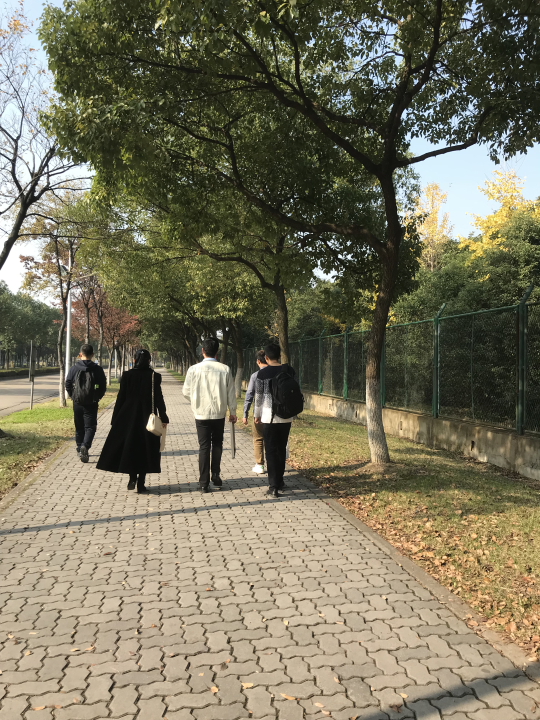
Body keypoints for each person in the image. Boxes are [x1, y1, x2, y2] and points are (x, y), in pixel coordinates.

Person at [96, 349, 169, 493]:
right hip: (148, 418)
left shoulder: (127, 375)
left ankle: (132, 478)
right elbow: (158, 398)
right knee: (145, 448)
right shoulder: (154, 376)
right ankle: (141, 483)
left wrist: (115, 419)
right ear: (149, 360)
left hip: (127, 417)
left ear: (134, 360)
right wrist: (164, 416)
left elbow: (120, 398)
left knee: (131, 447)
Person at [183, 337, 237, 492]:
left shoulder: (193, 370)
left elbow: (186, 391)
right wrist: (232, 411)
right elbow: (231, 393)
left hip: (201, 414)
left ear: (202, 351)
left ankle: (203, 482)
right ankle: (215, 474)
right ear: (217, 351)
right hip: (219, 413)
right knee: (218, 444)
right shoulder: (225, 369)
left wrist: (195, 402)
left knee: (204, 446)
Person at [253, 343, 298, 498]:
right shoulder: (289, 370)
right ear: (279, 356)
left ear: (266, 357)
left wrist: (256, 414)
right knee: (281, 449)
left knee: (271, 451)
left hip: (268, 417)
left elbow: (258, 397)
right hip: (286, 417)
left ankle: (273, 486)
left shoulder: (262, 374)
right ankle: (280, 481)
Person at [65, 343, 107, 463]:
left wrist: (73, 396)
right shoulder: (97, 369)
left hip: (77, 403)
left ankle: (79, 448)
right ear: (92, 354)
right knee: (90, 427)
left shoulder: (74, 369)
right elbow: (103, 386)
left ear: (80, 354)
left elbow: (68, 384)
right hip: (91, 403)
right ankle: (85, 446)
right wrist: (98, 397)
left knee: (79, 427)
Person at [242, 349, 267, 474]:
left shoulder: (255, 375)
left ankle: (260, 465)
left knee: (258, 439)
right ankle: (274, 464)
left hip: (259, 413)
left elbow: (249, 395)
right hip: (275, 414)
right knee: (272, 439)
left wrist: (245, 413)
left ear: (258, 361)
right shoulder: (277, 373)